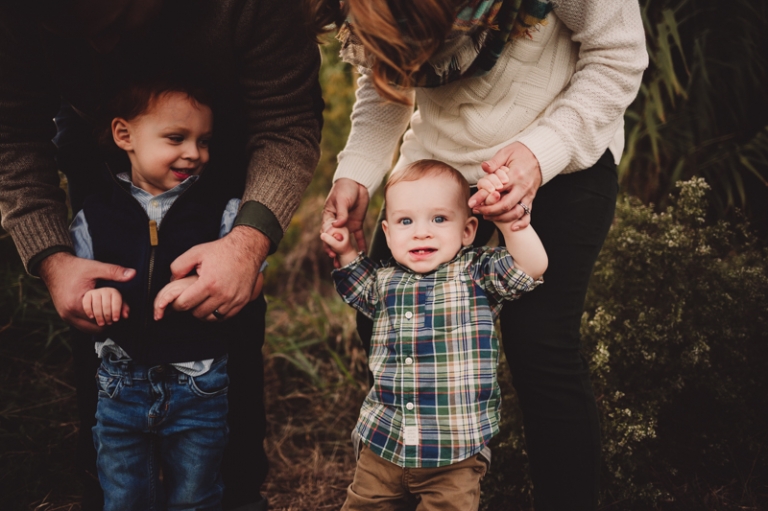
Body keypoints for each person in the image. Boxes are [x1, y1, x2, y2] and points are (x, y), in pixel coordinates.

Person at [312, 0, 648, 508]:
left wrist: (541, 152)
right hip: (436, 168)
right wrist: (356, 171)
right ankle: (419, 473)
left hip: (560, 159)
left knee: (539, 342)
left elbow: (617, 53)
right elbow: (387, 80)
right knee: (381, 317)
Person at [0, 1, 323, 510]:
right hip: (101, 160)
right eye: (69, 33)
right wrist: (53, 259)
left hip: (230, 167)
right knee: (113, 467)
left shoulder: (256, 13)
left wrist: (247, 246)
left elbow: (287, 120)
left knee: (224, 457)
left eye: (110, 22)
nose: (104, 48)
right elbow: (12, 132)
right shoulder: (95, 213)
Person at [70, 79, 263, 510]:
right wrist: (98, 297)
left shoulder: (222, 209)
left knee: (196, 495)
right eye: (176, 138)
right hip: (119, 385)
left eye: (204, 141)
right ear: (125, 136)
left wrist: (205, 286)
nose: (195, 152)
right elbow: (81, 285)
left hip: (199, 383)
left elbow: (253, 280)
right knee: (123, 496)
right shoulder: (94, 214)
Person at [321, 160, 547, 511]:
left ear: (468, 230)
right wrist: (346, 250)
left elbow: (530, 266)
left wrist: (509, 225)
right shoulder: (383, 281)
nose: (421, 232)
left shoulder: (476, 273)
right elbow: (355, 283)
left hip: (453, 454)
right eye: (405, 221)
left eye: (439, 219)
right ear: (388, 232)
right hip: (384, 446)